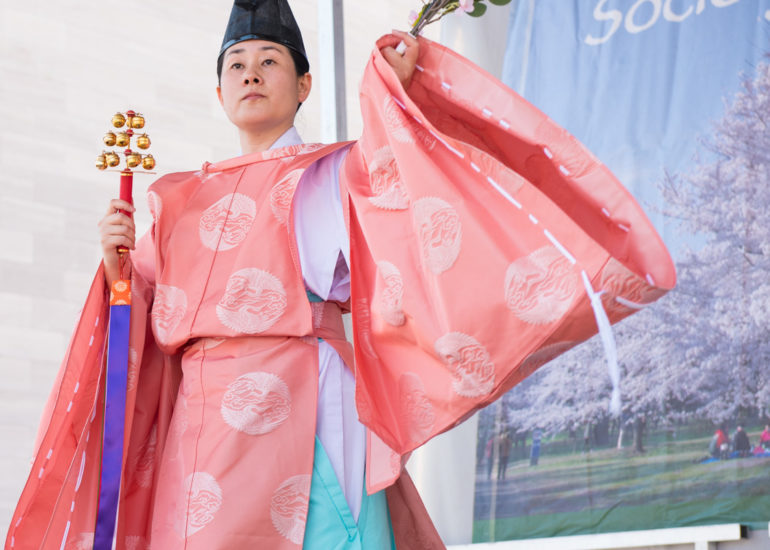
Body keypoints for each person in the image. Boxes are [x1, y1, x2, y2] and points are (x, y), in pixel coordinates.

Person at [7, 1, 676, 548]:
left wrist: (396, 84)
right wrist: (116, 268)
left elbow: (391, 187)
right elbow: (140, 321)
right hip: (203, 429)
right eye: (236, 64)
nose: (250, 73)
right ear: (217, 91)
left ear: (302, 86)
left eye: (269, 61)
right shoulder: (179, 200)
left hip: (305, 400)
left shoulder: (327, 172)